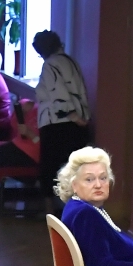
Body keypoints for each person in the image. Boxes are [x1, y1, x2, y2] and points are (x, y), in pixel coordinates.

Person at [33, 30, 90, 206]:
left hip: (56, 122)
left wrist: (72, 115)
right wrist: (81, 118)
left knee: (50, 167)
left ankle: (50, 210)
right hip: (76, 124)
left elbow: (58, 94)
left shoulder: (50, 65)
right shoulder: (71, 62)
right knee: (73, 170)